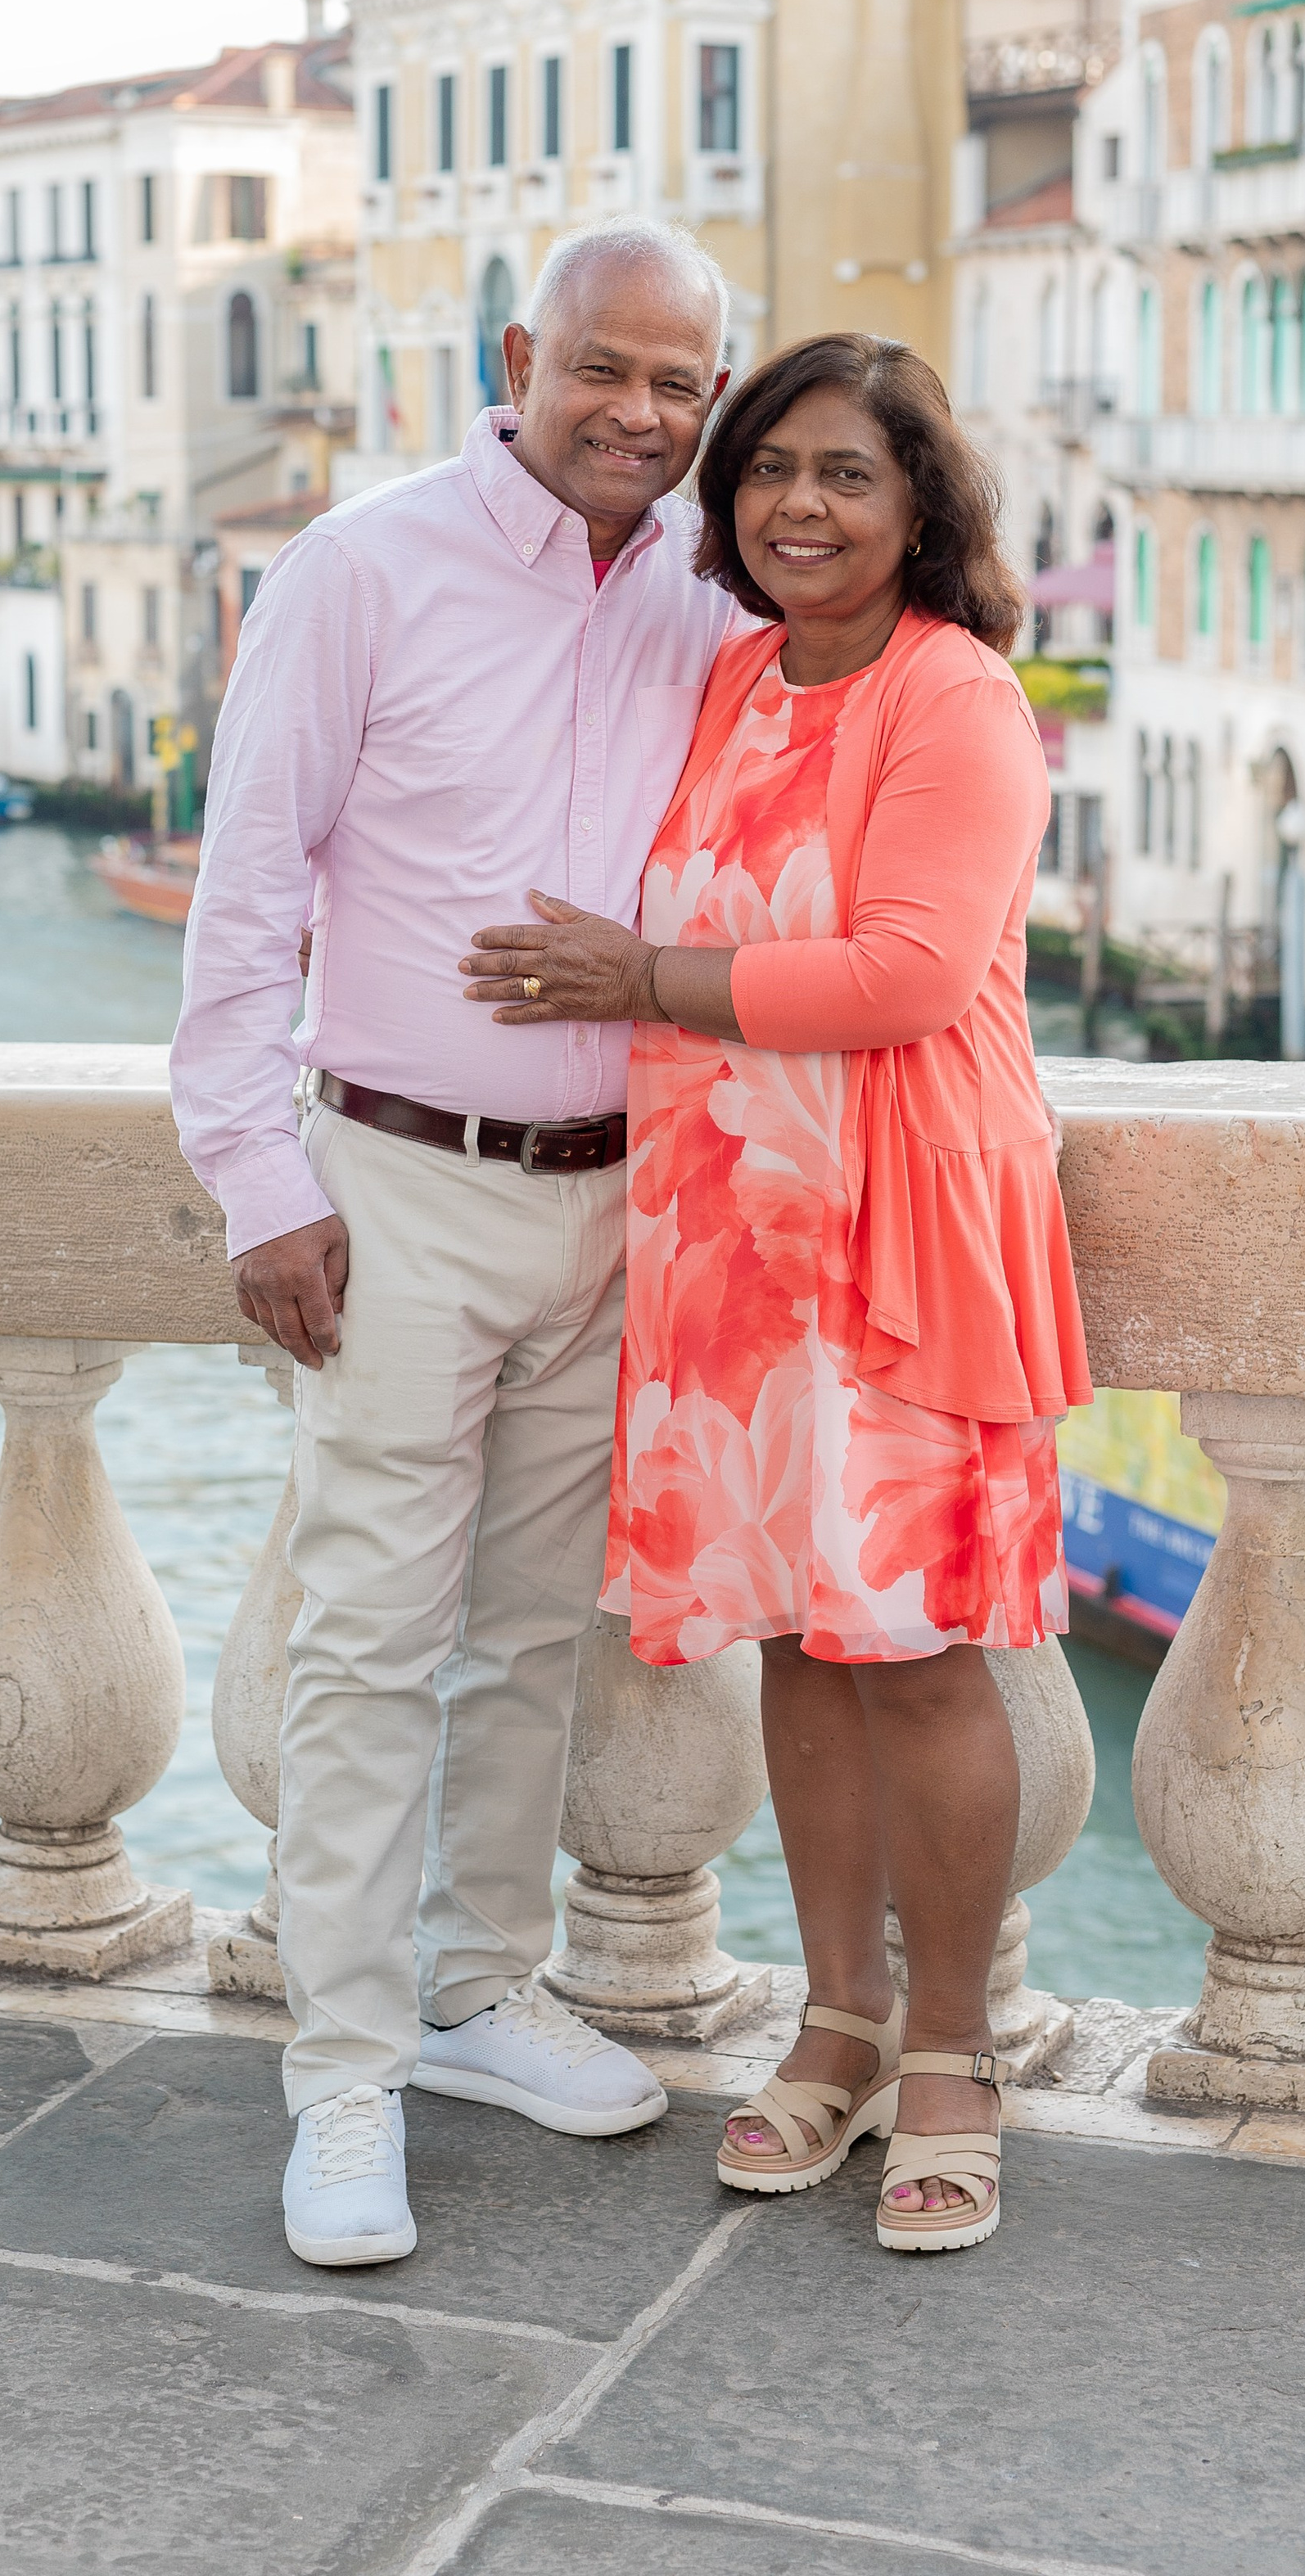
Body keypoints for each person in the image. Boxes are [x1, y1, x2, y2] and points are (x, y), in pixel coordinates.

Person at [461, 332, 1091, 2257]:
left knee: (915, 1651)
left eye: (844, 474)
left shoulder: (953, 694)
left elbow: (907, 972)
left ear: (918, 506)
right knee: (798, 1645)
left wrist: (637, 978)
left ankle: (953, 2051)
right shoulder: (735, 674)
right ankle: (838, 2020)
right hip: (734, 1229)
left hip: (898, 1221)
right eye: (765, 471)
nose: (795, 506)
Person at [172, 217, 742, 2269]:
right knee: (366, 1645)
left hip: (614, 1195)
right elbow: (248, 887)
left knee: (527, 1634)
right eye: (604, 367)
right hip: (398, 1185)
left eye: (677, 383)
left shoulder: (704, 592)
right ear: (519, 358)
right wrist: (259, 1180)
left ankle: (479, 1986)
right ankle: (340, 2071)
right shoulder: (359, 568)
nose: (638, 413)